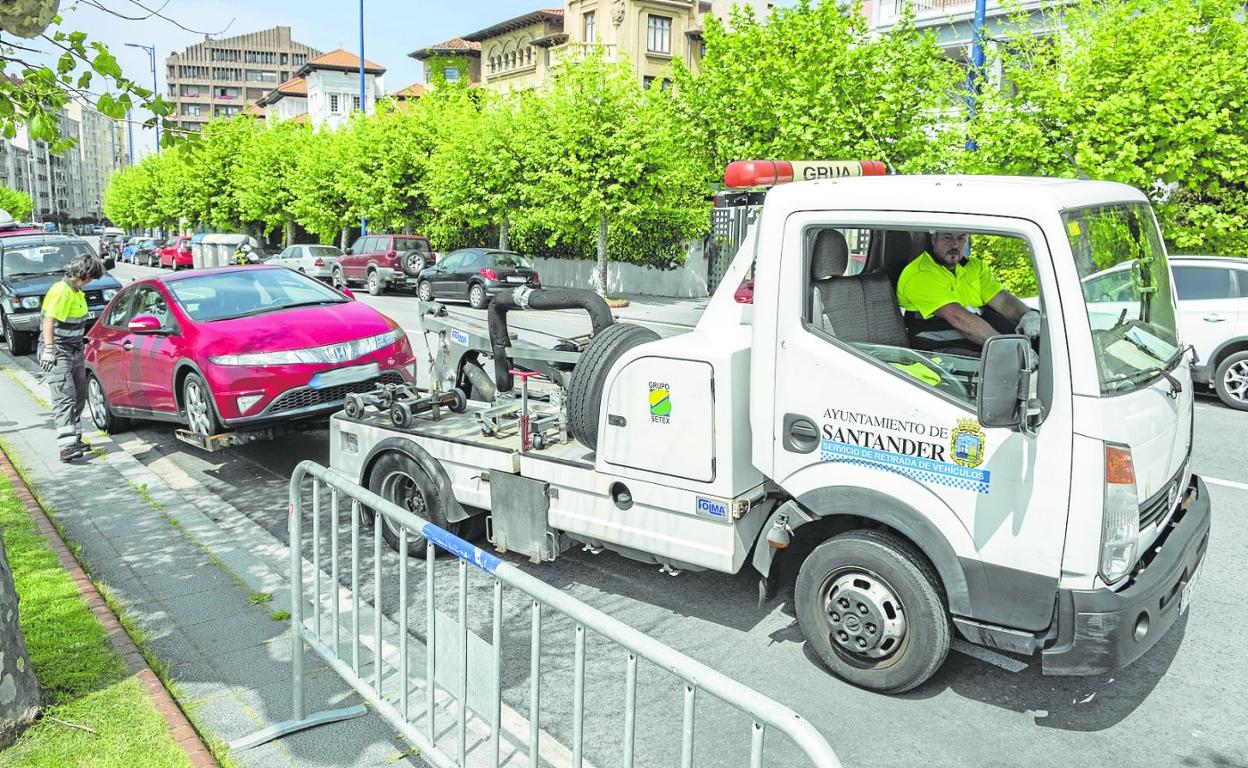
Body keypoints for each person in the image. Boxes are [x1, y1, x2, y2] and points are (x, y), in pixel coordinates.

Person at [897, 231, 1041, 351]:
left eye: (961, 238)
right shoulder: (920, 273)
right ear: (934, 239)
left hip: (970, 334)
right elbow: (958, 318)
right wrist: (1008, 348)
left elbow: (1003, 301)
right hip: (938, 344)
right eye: (947, 237)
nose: (955, 244)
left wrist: (1028, 316)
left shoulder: (975, 267)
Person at [38, 253, 104, 463]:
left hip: (74, 349)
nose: (92, 281)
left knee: (78, 395)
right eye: (92, 276)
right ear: (84, 274)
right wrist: (49, 349)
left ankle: (74, 437)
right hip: (59, 351)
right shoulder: (61, 291)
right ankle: (66, 446)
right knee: (64, 397)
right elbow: (49, 322)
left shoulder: (76, 291)